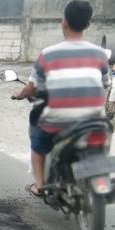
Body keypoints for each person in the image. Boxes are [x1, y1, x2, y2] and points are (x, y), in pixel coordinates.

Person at [13, 0, 111, 197]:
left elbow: (32, 88)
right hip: (94, 121)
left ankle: (39, 185)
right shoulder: (100, 54)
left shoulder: (48, 55)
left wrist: (20, 93)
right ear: (88, 24)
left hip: (58, 121)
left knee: (37, 138)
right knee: (102, 142)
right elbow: (106, 84)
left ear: (63, 22)